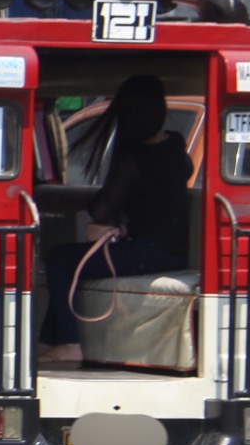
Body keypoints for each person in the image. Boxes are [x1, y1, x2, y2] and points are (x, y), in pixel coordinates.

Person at [39, 74, 192, 363]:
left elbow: (101, 209)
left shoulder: (134, 158)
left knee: (60, 259)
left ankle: (69, 342)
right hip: (170, 251)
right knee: (68, 261)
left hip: (149, 253)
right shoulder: (175, 143)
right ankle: (49, 341)